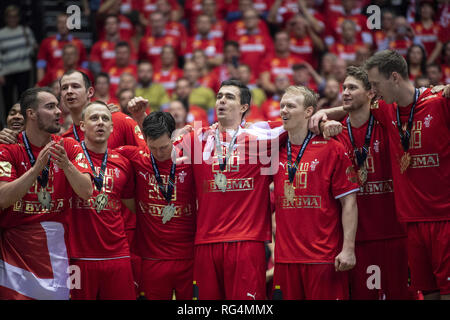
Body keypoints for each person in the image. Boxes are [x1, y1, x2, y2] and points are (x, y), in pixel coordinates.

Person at [310, 50, 450, 300]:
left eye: (374, 84)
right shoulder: (386, 110)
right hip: (412, 222)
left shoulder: (438, 101)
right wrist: (322, 115)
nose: (373, 90)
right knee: (428, 293)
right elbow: (354, 106)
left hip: (444, 218)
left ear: (394, 77)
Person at [178, 79, 281, 300]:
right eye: (219, 96)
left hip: (246, 241)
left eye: (229, 97)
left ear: (244, 107)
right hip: (205, 242)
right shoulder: (196, 137)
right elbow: (158, 149)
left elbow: (301, 121)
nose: (222, 100)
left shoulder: (262, 135)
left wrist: (321, 120)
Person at [322, 66, 410, 300]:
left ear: (371, 93)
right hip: (356, 239)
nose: (346, 92)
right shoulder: (335, 133)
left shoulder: (387, 123)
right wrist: (322, 120)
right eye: (344, 88)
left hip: (396, 234)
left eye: (352, 88)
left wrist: (328, 112)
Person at [0, 87, 93, 299]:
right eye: (50, 107)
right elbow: (3, 198)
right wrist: (35, 170)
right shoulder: (8, 149)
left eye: (57, 106)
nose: (59, 111)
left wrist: (67, 165)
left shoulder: (69, 147)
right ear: (31, 113)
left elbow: (87, 191)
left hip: (56, 252)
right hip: (15, 255)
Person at [271, 85, 359, 300]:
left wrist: (348, 249)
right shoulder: (274, 148)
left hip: (323, 258)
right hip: (285, 261)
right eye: (282, 106)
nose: (284, 111)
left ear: (309, 111)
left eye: (291, 106)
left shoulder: (332, 148)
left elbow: (349, 202)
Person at [116, 110, 196, 300]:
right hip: (152, 259)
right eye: (153, 148)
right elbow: (99, 152)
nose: (159, 153)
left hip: (190, 258)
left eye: (164, 147)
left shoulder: (191, 157)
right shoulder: (135, 156)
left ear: (173, 136)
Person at [67, 101, 136, 300]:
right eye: (94, 118)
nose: (101, 123)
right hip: (78, 257)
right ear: (82, 125)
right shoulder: (69, 157)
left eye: (105, 119)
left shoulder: (123, 162)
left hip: (118, 254)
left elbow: (133, 206)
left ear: (112, 127)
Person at [0, 5, 36, 119]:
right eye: (10, 17)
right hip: (7, 70)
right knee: (8, 100)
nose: (12, 19)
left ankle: (24, 121)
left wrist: (30, 49)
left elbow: (32, 48)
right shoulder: (1, 33)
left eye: (15, 16)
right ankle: (9, 122)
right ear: (6, 18)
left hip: (23, 68)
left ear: (18, 18)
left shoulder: (25, 31)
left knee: (24, 98)